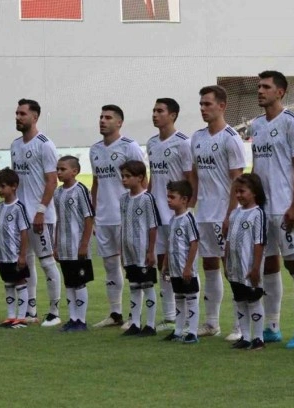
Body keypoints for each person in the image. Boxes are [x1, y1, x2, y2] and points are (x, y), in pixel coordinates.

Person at [250, 70, 294, 348]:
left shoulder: (291, 123)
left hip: (285, 207)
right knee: (269, 266)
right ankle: (272, 326)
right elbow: (257, 166)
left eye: (266, 87)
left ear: (280, 92)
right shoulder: (256, 124)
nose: (260, 91)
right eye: (259, 87)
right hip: (262, 210)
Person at [191, 85, 246, 337]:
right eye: (201, 104)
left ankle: (239, 325)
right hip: (203, 213)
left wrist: (230, 215)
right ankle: (212, 323)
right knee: (209, 265)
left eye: (208, 104)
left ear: (222, 106)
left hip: (224, 213)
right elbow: (195, 176)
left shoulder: (231, 138)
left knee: (231, 268)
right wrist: (191, 207)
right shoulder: (197, 138)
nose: (203, 109)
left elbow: (237, 180)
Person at [90, 104, 145, 328]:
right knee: (110, 266)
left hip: (126, 217)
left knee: (131, 265)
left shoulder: (129, 146)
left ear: (119, 122)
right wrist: (94, 214)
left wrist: (139, 213)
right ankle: (115, 313)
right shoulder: (94, 149)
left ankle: (135, 316)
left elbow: (142, 181)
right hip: (104, 218)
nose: (102, 120)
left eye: (108, 117)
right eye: (101, 117)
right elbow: (96, 184)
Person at [10, 99, 62, 327]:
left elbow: (52, 181)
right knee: (26, 262)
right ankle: (30, 310)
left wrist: (41, 210)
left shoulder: (44, 145)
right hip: (21, 216)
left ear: (35, 117)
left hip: (40, 215)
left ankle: (54, 311)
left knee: (47, 262)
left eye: (22, 114)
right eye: (17, 113)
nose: (18, 117)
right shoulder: (15, 145)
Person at [146, 98, 192, 333]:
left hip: (176, 214)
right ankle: (170, 316)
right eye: (154, 110)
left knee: (181, 264)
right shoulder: (151, 143)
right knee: (162, 263)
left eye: (160, 111)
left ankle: (189, 317)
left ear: (172, 115)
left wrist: (187, 210)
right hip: (157, 214)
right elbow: (154, 178)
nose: (155, 114)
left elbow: (190, 179)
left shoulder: (184, 143)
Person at [118, 160, 160, 336]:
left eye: (128, 176)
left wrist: (151, 251)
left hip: (143, 250)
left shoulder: (147, 198)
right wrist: (122, 251)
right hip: (129, 251)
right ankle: (135, 323)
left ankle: (150, 324)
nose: (124, 179)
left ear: (140, 177)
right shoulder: (123, 199)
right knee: (134, 286)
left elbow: (153, 226)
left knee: (147, 286)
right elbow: (123, 225)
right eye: (122, 176)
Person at [225, 173, 267, 351]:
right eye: (236, 191)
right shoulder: (234, 213)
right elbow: (228, 240)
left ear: (254, 192)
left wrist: (256, 268)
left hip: (249, 267)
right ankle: (245, 336)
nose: (238, 195)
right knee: (239, 300)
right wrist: (226, 262)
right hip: (234, 267)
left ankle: (258, 338)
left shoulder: (258, 214)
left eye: (242, 191)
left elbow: (259, 243)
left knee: (253, 300)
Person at [54, 156, 95, 332]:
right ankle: (72, 318)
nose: (59, 172)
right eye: (57, 169)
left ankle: (81, 321)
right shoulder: (57, 193)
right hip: (63, 246)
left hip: (77, 246)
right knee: (69, 283)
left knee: (79, 283)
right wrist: (55, 244)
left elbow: (89, 218)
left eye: (62, 169)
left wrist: (84, 244)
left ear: (74, 171)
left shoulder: (80, 190)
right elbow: (59, 220)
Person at [161, 180, 200, 344]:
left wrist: (188, 267)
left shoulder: (188, 219)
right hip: (174, 269)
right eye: (168, 197)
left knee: (191, 299)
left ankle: (193, 332)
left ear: (184, 199)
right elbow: (169, 244)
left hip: (186, 269)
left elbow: (194, 243)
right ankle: (178, 331)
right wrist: (165, 265)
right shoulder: (172, 220)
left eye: (172, 197)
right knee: (178, 298)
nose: (168, 200)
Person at [0, 168, 31, 329]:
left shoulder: (18, 207)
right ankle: (10, 316)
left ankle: (21, 318)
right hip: (3, 255)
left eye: (3, 186)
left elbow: (24, 232)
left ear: (14, 186)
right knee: (8, 283)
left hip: (15, 255)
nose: (0, 190)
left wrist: (22, 255)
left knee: (20, 282)